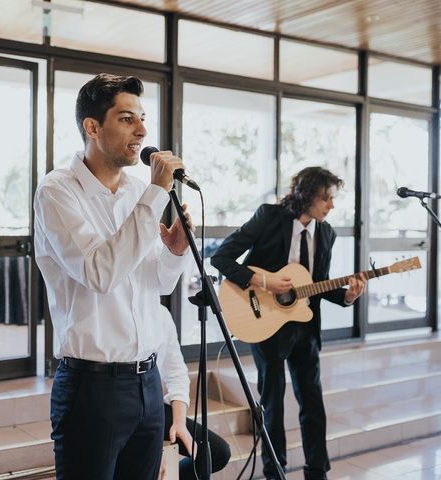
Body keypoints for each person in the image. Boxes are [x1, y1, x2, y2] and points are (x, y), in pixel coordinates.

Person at [34, 73, 194, 480]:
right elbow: (99, 272)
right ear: (92, 126)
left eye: (142, 118)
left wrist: (174, 253)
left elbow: (157, 284)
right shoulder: (57, 191)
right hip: (92, 387)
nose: (142, 130)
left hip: (146, 382)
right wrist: (155, 194)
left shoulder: (137, 193)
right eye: (127, 119)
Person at [210, 167, 367, 480]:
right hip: (263, 321)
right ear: (306, 196)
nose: (331, 206)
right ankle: (274, 472)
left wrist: (348, 295)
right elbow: (221, 257)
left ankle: (316, 471)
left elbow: (318, 284)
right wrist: (264, 281)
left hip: (304, 326)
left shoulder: (327, 233)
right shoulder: (269, 217)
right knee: (273, 403)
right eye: (326, 199)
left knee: (313, 401)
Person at [156, 305, 231, 480]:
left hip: (154, 405)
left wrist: (179, 421)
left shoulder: (162, 315)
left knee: (215, 453)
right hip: (120, 407)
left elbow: (177, 374)